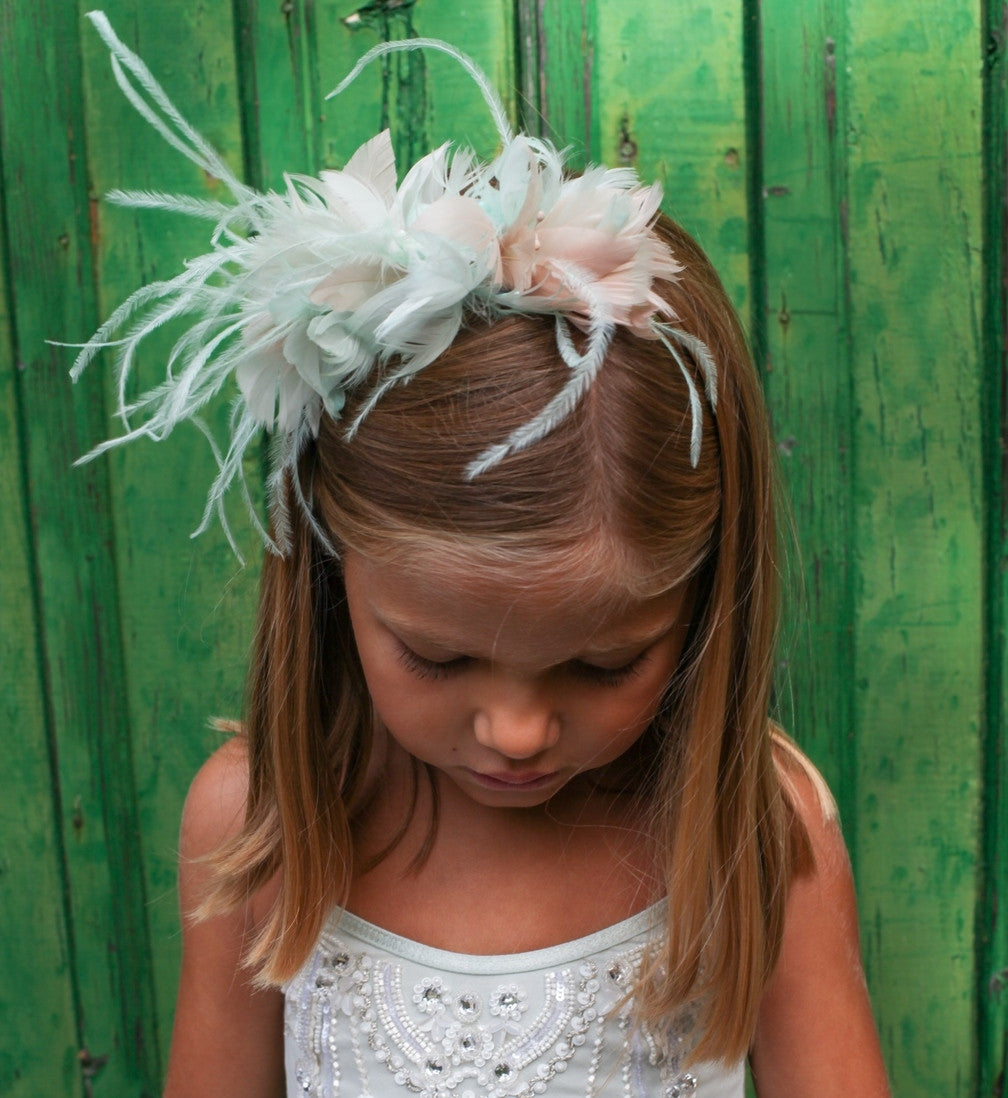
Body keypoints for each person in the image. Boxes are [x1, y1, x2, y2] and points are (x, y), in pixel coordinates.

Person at [77, 15, 891, 1097]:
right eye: (439, 657)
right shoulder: (259, 820)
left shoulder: (756, 830)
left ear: (702, 601)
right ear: (330, 569)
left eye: (605, 664)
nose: (518, 731)